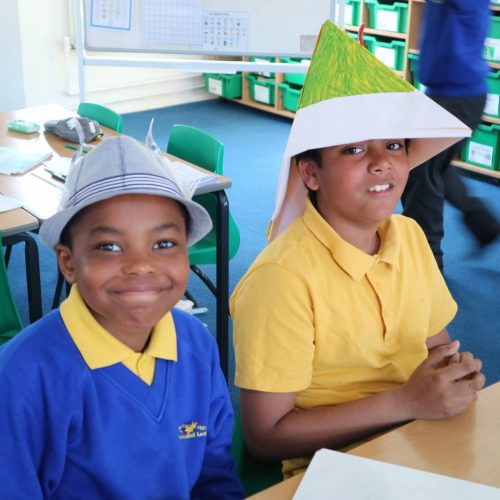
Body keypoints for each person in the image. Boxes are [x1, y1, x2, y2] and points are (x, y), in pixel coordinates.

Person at [230, 20, 485, 478]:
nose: (382, 162)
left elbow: (435, 346)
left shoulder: (408, 235)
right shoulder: (281, 280)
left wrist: (451, 377)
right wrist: (407, 401)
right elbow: (266, 436)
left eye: (393, 145)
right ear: (311, 174)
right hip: (335, 462)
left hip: (419, 433)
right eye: (353, 149)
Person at [0, 135, 244, 499]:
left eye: (163, 244)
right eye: (109, 247)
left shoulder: (196, 344)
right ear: (68, 263)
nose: (141, 265)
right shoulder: (21, 377)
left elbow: (214, 473)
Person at [402, 0, 500, 271]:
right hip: (447, 93)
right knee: (434, 166)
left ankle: (427, 264)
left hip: (456, 97)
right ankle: (483, 221)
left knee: (421, 173)